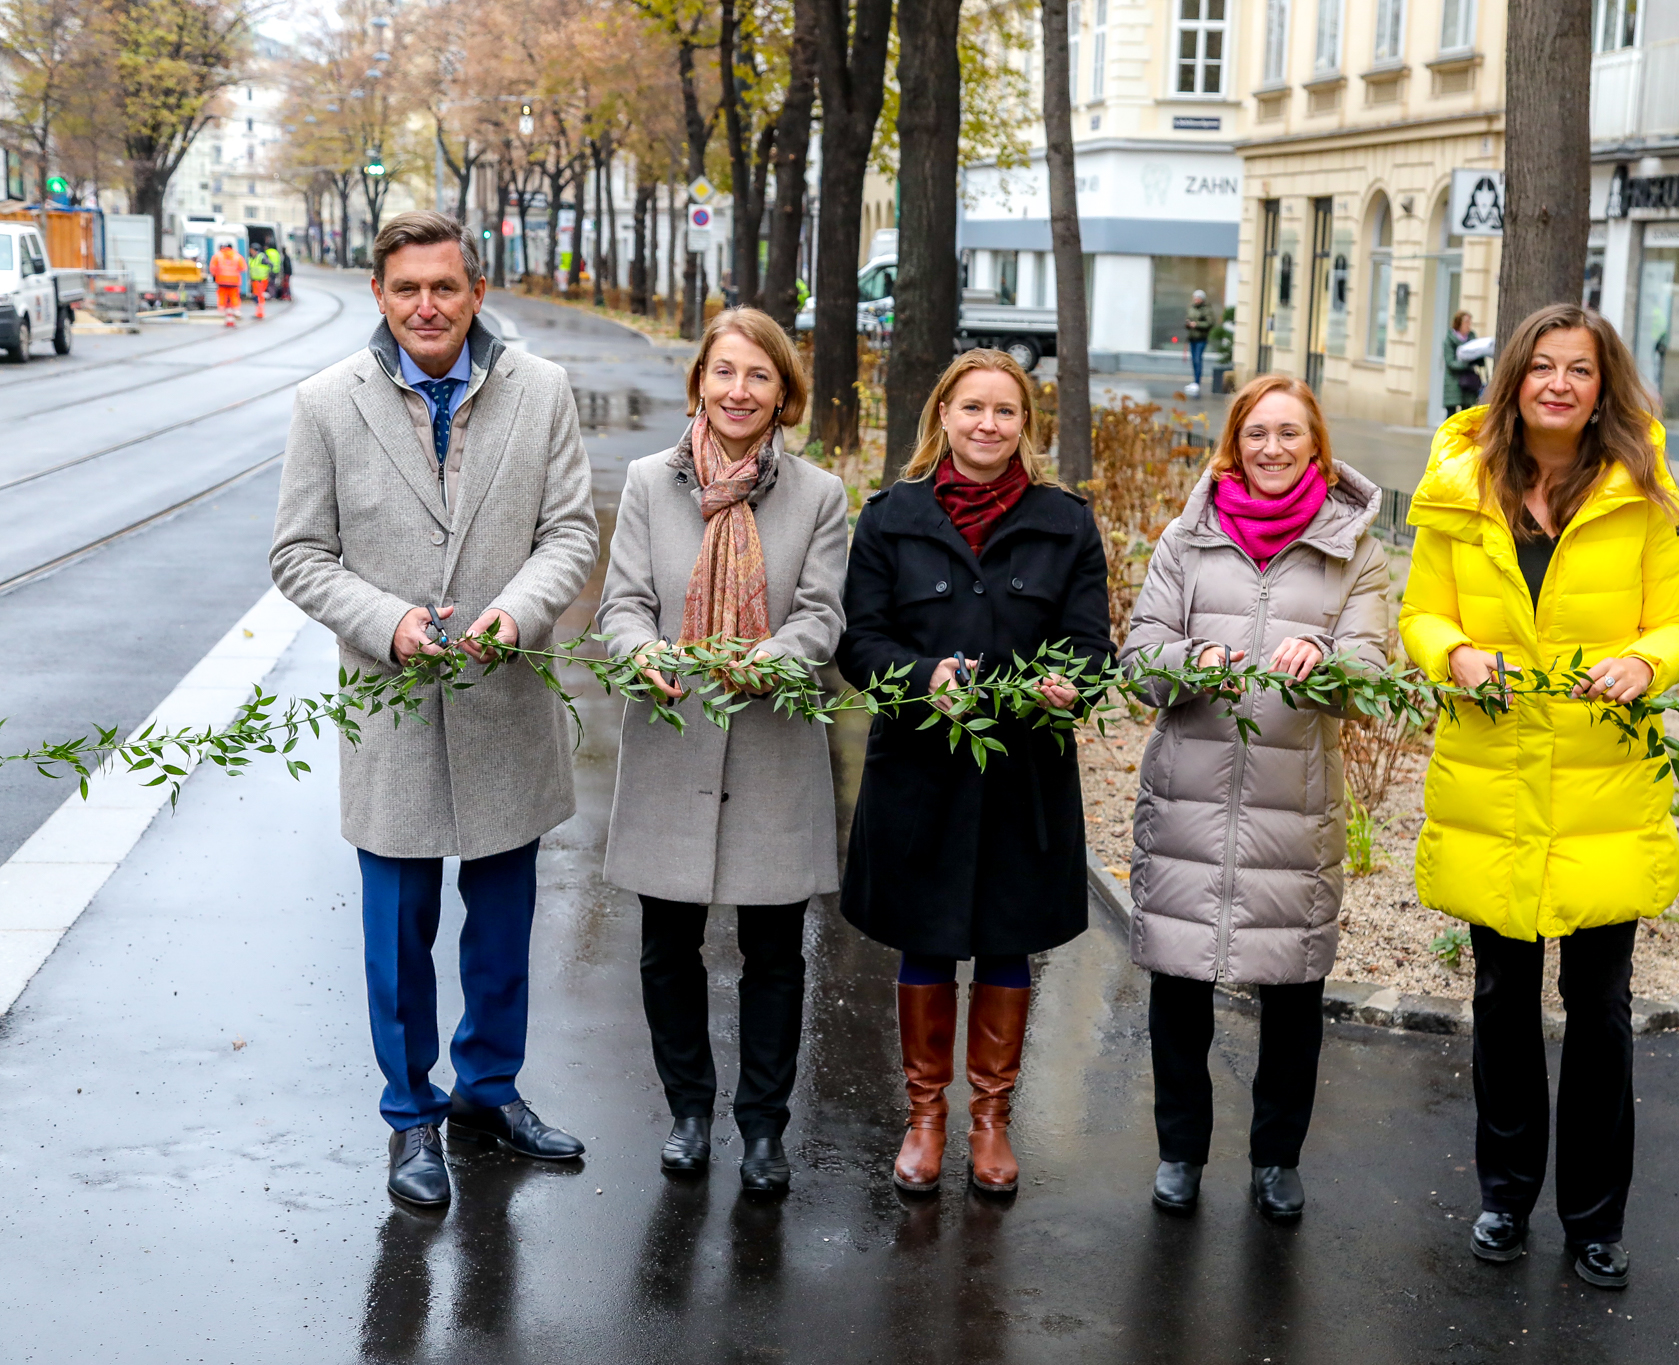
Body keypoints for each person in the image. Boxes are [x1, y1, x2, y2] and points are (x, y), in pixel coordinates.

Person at [271, 210, 599, 1209]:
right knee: (397, 937)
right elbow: (298, 555)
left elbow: (570, 536)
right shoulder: (326, 404)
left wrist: (515, 613)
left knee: (502, 931)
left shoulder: (540, 392)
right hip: (393, 714)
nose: (427, 306)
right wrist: (385, 621)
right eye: (407, 288)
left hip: (504, 702)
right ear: (378, 294)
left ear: (475, 293)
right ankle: (410, 1116)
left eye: (444, 287)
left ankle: (489, 1093)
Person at [1398, 302, 1679, 1290]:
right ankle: (1502, 1196)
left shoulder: (1646, 493)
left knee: (1599, 1008)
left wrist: (1641, 664)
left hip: (1598, 784)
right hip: (1493, 777)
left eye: (1578, 369)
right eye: (1541, 367)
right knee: (1498, 1000)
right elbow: (1418, 611)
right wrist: (1451, 651)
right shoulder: (1456, 487)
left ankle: (1593, 1218)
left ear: (1602, 384)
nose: (1558, 385)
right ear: (1513, 380)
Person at [837, 349, 1114, 1197]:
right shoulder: (891, 517)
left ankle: (991, 1118)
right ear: (944, 417)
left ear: (1025, 425)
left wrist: (1070, 682)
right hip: (922, 772)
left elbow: (1091, 643)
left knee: (1005, 939)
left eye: (1006, 411)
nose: (988, 424)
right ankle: (926, 1116)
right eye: (973, 409)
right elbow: (860, 641)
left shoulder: (1066, 522)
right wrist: (926, 679)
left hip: (1022, 773)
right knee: (927, 939)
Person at [1120, 374, 1392, 1223]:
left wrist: (1326, 654)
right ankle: (1179, 1152)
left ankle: (1278, 1158)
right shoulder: (1187, 540)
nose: (1271, 448)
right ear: (1233, 443)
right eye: (1256, 434)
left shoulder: (1355, 551)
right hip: (1188, 800)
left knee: (1293, 994)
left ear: (1318, 446)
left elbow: (1372, 678)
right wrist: (1186, 661)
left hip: (1293, 804)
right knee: (1179, 989)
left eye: (1289, 434)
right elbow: (1138, 660)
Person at [597, 307, 849, 1197]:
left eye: (760, 376)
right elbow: (620, 603)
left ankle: (764, 1126)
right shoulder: (645, 482)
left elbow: (822, 614)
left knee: (775, 952)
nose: (739, 391)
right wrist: (642, 651)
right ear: (700, 379)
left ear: (784, 394)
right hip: (672, 740)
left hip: (773, 743)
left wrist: (775, 660)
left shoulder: (818, 496)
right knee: (668, 948)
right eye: (725, 372)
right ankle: (690, 1113)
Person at [1443, 310, 1484, 414]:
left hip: (1469, 382)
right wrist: (1466, 364)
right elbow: (1450, 362)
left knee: (1466, 414)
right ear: (1458, 323)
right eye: (1466, 322)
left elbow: (1477, 353)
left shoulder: (1471, 337)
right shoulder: (1449, 340)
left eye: (1470, 322)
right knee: (1451, 415)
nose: (1468, 325)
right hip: (1453, 381)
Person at [209, 239, 246, 327]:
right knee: (234, 296)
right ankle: (236, 310)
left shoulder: (218, 255)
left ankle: (222, 310)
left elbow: (212, 268)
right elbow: (243, 268)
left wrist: (216, 275)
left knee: (222, 296)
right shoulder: (237, 256)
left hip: (222, 280)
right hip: (234, 281)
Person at [1185, 290, 1217, 392]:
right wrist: (1188, 324)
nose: (1195, 300)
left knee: (1198, 359)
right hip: (1192, 337)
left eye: (1197, 298)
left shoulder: (1207, 309)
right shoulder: (1191, 307)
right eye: (1194, 298)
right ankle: (1194, 381)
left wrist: (1197, 324)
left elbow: (1210, 323)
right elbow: (1188, 318)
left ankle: (1197, 382)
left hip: (1201, 338)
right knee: (1194, 360)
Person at [248, 244, 270, 321]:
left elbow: (269, 265)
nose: (250, 251)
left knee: (259, 296)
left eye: (251, 250)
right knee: (256, 296)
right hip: (255, 280)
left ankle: (260, 313)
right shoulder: (251, 258)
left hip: (261, 280)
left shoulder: (261, 257)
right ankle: (258, 312)